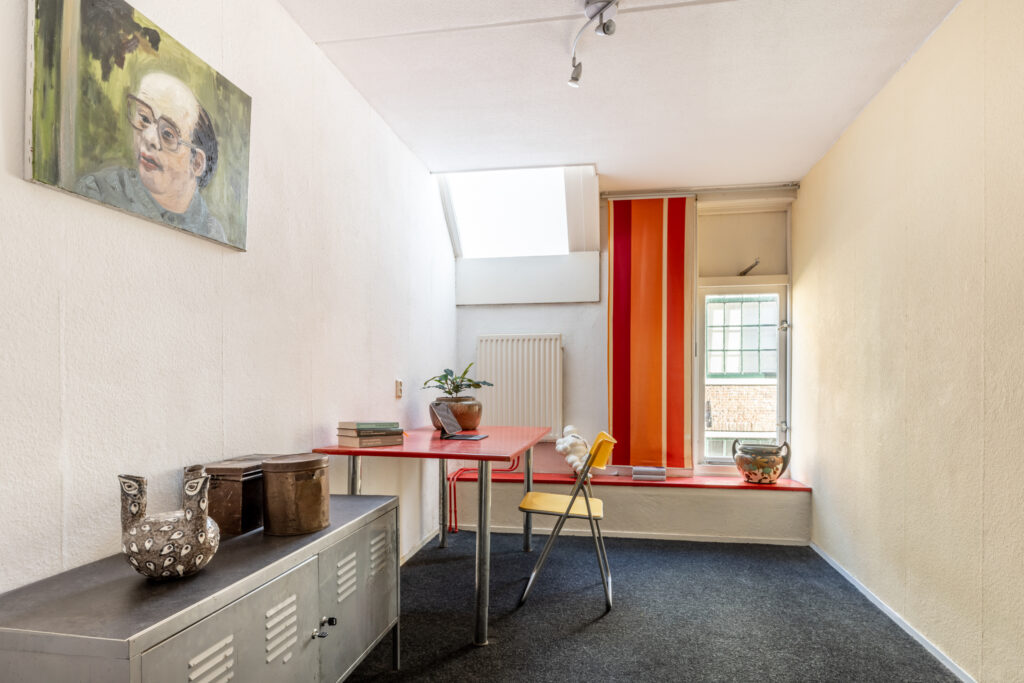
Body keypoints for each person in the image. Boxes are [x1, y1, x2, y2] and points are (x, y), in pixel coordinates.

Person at [76, 72, 226, 243]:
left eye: (168, 134)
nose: (148, 137)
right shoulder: (98, 191)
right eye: (145, 119)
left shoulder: (213, 233)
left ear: (197, 163)